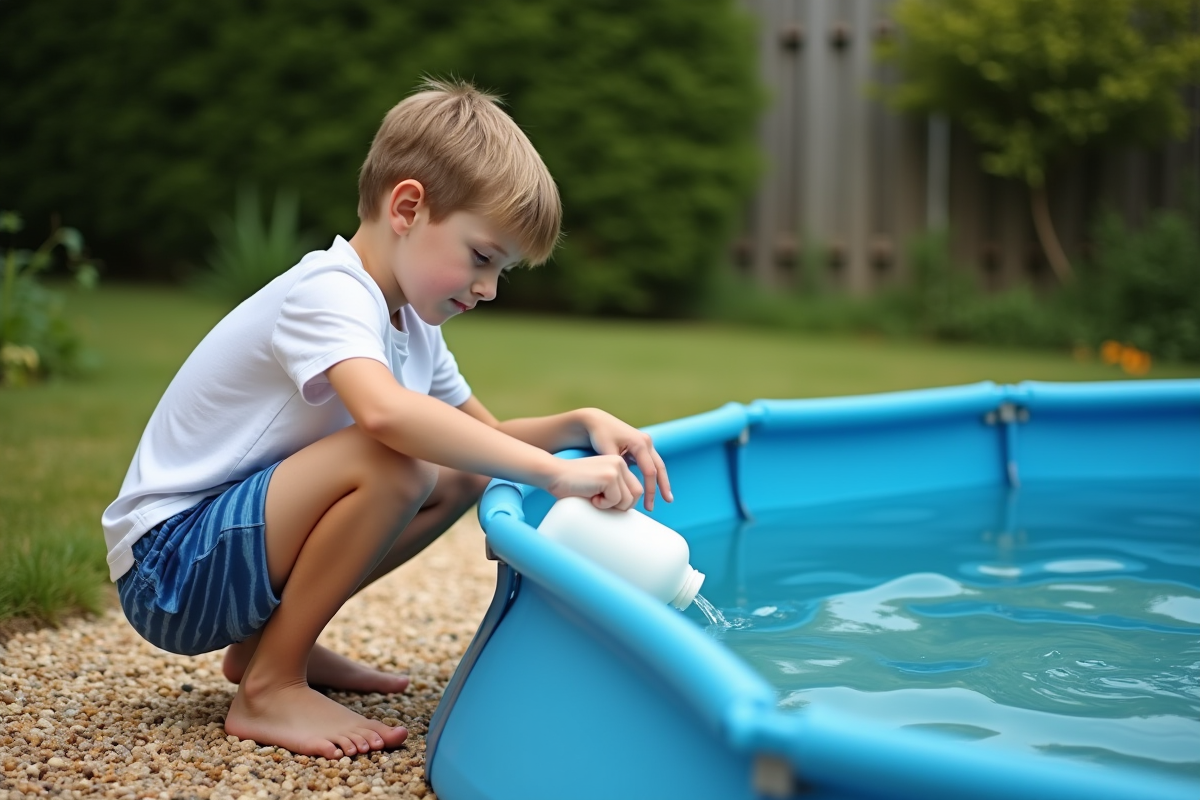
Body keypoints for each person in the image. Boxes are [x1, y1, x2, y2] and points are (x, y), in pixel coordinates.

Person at [101, 78, 672, 760]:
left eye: (503, 272)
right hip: (169, 569)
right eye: (482, 257)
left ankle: (268, 649)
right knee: (396, 457)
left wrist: (581, 423)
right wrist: (553, 475)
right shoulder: (329, 289)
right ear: (408, 207)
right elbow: (383, 415)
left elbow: (481, 443)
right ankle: (271, 688)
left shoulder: (413, 326)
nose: (488, 289)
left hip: (224, 556)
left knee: (455, 471)